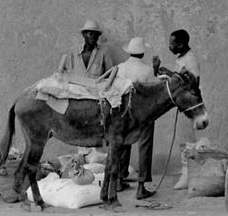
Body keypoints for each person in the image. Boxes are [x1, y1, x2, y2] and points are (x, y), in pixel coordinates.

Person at [114, 36, 160, 200]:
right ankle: (141, 186)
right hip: (143, 112)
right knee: (145, 144)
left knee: (124, 143)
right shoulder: (147, 70)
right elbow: (154, 90)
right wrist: (156, 70)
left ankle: (119, 179)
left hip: (124, 110)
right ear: (142, 53)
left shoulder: (120, 68)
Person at [152, 29, 201, 144]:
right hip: (182, 104)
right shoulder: (181, 58)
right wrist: (160, 70)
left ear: (180, 45)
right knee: (184, 143)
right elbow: (178, 80)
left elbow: (193, 85)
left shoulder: (190, 60)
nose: (169, 47)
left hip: (189, 105)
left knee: (189, 143)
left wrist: (172, 75)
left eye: (172, 44)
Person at [56, 20, 126, 83]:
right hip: (76, 92)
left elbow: (109, 75)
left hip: (95, 93)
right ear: (84, 35)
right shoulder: (73, 51)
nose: (93, 37)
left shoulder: (104, 51)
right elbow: (68, 73)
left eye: (96, 34)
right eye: (90, 34)